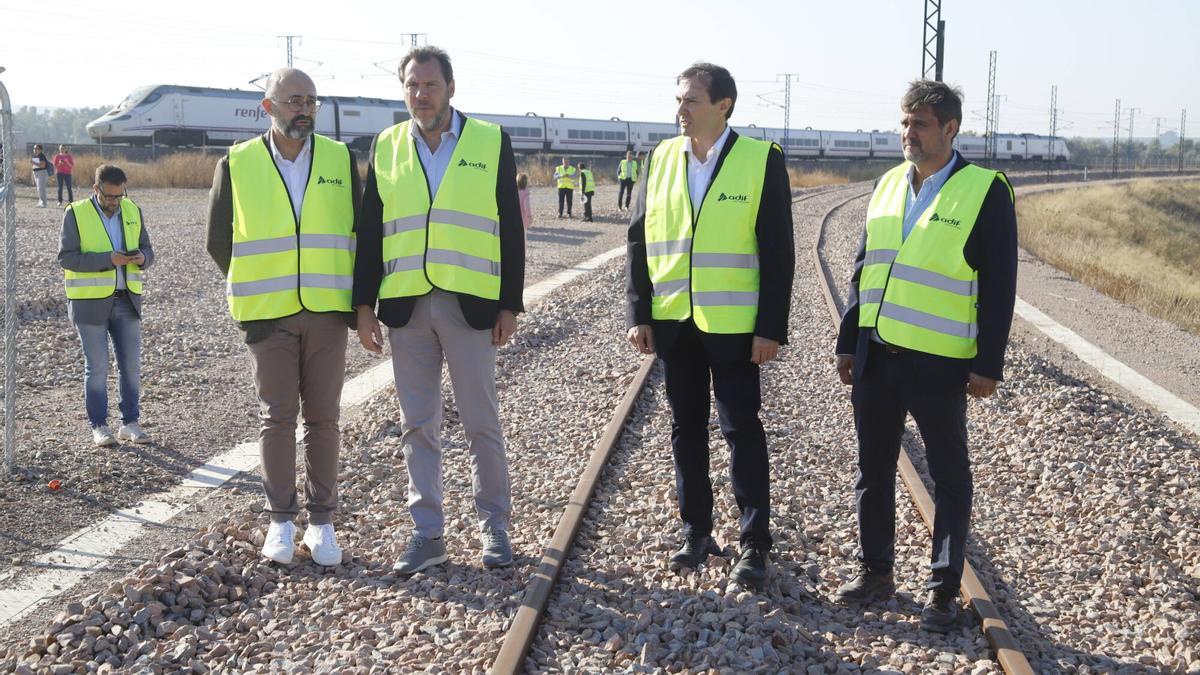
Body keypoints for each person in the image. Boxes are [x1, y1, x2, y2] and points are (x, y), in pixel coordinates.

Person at [832, 79, 1017, 632]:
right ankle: (875, 572)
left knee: (949, 478)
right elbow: (865, 269)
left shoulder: (985, 189)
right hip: (878, 357)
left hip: (939, 364)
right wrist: (849, 339)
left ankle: (941, 590)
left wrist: (989, 363)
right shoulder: (888, 183)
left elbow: (1000, 285)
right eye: (904, 122)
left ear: (950, 129)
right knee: (873, 469)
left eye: (919, 124)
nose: (907, 133)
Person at [353, 46, 525, 575]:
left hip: (470, 304)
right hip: (406, 308)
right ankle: (427, 534)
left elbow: (510, 228)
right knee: (417, 425)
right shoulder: (386, 146)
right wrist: (363, 304)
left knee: (480, 421)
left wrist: (510, 303)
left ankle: (494, 528)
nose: (420, 94)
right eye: (411, 85)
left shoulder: (490, 141)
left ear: (451, 88)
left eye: (429, 85)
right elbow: (370, 232)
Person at [625, 62, 794, 589]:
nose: (680, 109)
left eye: (691, 100)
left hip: (736, 328)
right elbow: (638, 239)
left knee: (742, 432)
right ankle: (696, 531)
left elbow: (778, 251)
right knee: (686, 432)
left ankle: (753, 544)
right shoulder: (661, 158)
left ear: (724, 106)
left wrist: (771, 327)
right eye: (679, 99)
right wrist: (639, 312)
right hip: (676, 323)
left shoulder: (760, 160)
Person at [206, 67, 361, 568]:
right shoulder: (238, 162)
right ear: (268, 107)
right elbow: (218, 241)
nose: (305, 109)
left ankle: (322, 524)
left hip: (327, 312)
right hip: (268, 314)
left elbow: (359, 233)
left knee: (324, 419)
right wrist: (258, 283)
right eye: (295, 100)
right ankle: (280, 522)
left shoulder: (340, 158)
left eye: (312, 101)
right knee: (277, 418)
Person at [58, 164, 154, 447]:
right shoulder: (75, 213)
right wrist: (107, 259)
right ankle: (99, 426)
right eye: (109, 196)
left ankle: (130, 423)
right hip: (90, 303)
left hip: (127, 300)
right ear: (95, 189)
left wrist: (142, 258)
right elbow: (67, 258)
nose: (114, 202)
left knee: (131, 367)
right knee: (97, 367)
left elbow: (149, 250)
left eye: (119, 196)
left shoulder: (133, 210)